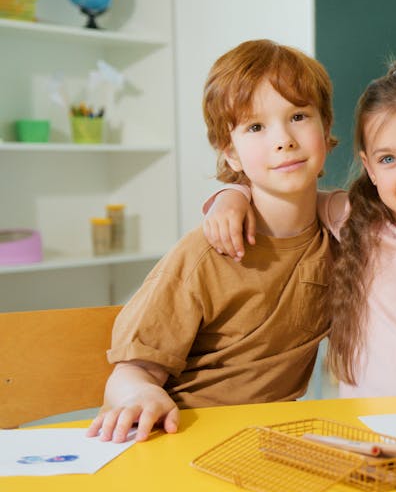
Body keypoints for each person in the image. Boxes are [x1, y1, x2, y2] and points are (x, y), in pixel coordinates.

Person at [87, 39, 336, 443]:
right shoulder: (205, 252)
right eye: (256, 127)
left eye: (299, 116)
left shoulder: (341, 238)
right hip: (178, 433)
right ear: (230, 153)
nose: (284, 139)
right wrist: (140, 395)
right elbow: (131, 372)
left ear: (325, 128)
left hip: (267, 441)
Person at [200, 56, 396, 398]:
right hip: (373, 431)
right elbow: (282, 195)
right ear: (370, 168)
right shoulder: (355, 218)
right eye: (388, 159)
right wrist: (231, 194)